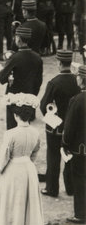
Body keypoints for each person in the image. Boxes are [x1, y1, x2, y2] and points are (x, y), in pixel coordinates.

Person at [0, 93, 44, 225]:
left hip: (13, 170)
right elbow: (35, 152)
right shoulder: (35, 132)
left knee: (12, 201)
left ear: (15, 115)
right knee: (27, 201)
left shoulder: (10, 134)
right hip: (29, 169)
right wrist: (28, 162)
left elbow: (4, 157)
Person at [40, 48, 78, 198]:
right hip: (73, 127)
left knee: (53, 157)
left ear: (59, 63)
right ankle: (70, 187)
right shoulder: (77, 81)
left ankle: (52, 188)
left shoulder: (54, 82)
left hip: (55, 128)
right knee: (70, 157)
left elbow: (44, 106)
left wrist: (53, 121)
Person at [0, 27, 43, 129]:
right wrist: (32, 94)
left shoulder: (15, 58)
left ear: (18, 39)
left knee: (12, 128)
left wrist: (6, 64)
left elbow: (1, 78)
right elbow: (39, 81)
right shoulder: (37, 57)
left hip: (14, 98)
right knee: (26, 127)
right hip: (29, 97)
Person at [61, 64, 86, 224]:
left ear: (82, 80)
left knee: (80, 181)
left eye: (78, 76)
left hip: (79, 148)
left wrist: (65, 144)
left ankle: (81, 214)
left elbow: (69, 128)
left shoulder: (77, 100)